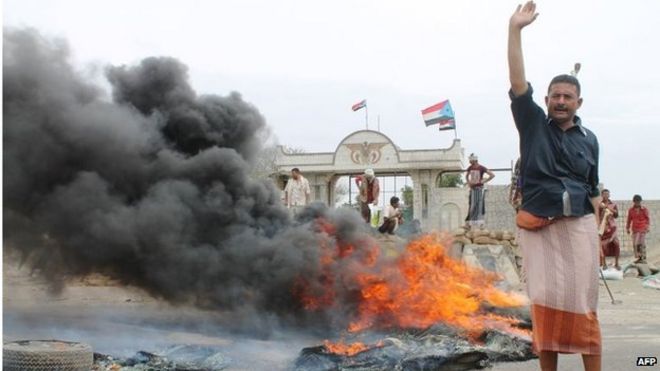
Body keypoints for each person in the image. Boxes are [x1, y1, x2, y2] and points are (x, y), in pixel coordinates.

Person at [508, 2, 602, 370]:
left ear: (579, 102)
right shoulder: (531, 124)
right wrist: (514, 30)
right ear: (545, 100)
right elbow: (518, 84)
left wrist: (598, 228)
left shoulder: (590, 139)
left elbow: (593, 188)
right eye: (555, 96)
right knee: (544, 303)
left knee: (583, 304)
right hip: (539, 226)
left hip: (579, 227)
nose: (560, 101)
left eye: (567, 96)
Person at [464, 153, 495, 229]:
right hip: (472, 189)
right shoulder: (470, 168)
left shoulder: (482, 168)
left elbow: (492, 175)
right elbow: (466, 176)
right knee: (471, 205)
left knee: (480, 205)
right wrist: (468, 182)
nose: (469, 162)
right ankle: (469, 223)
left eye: (470, 161)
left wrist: (484, 181)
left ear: (474, 160)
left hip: (479, 189)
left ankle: (481, 224)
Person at [598, 189, 620, 270]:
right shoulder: (599, 205)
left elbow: (616, 215)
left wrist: (609, 209)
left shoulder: (613, 204)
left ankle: (617, 263)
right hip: (603, 228)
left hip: (612, 228)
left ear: (609, 195)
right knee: (603, 245)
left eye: (607, 194)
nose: (606, 195)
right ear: (602, 195)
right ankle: (604, 264)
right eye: (604, 194)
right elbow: (596, 215)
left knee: (616, 243)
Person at [626, 194, 650, 263]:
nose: (637, 203)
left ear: (640, 201)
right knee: (635, 243)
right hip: (635, 229)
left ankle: (643, 257)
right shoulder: (631, 210)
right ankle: (638, 257)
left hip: (642, 228)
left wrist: (647, 227)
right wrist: (627, 228)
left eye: (638, 201)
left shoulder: (644, 209)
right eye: (636, 201)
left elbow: (647, 219)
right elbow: (629, 219)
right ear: (634, 202)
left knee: (641, 243)